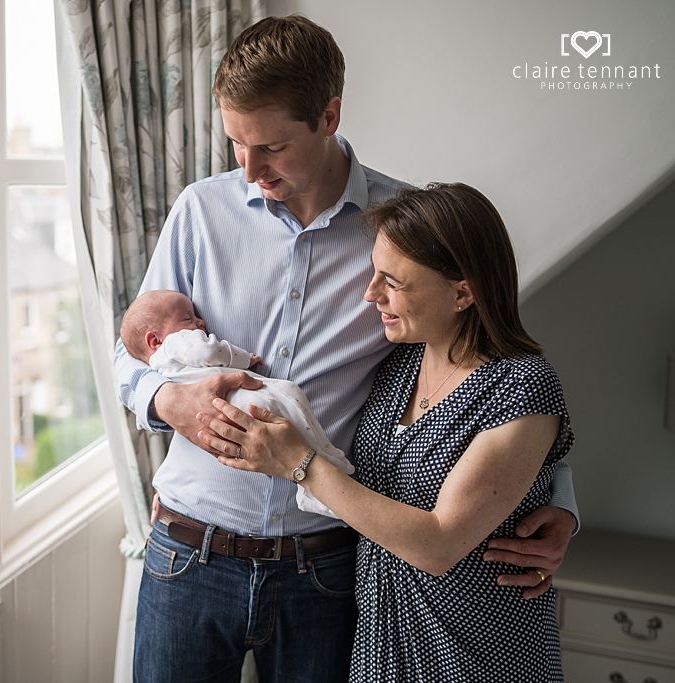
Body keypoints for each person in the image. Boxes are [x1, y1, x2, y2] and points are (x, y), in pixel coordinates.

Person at [113, 15, 579, 683]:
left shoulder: (406, 227)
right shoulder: (199, 212)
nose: (250, 169)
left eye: (270, 145)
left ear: (329, 114)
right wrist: (170, 399)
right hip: (190, 551)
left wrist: (556, 499)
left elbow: (485, 372)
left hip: (326, 568)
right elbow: (133, 349)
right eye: (236, 143)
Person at [199, 182, 571, 681]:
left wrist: (299, 464)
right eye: (374, 273)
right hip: (380, 648)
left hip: (478, 654)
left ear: (462, 291)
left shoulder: (521, 387)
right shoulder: (398, 365)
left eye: (392, 281)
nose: (371, 293)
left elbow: (438, 544)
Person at [120, 289, 355, 517]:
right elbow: (209, 351)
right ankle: (326, 465)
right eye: (187, 318)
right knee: (289, 398)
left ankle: (321, 471)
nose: (200, 322)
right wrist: (244, 358)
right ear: (154, 340)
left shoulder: (162, 365)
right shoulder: (172, 344)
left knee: (289, 406)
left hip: (228, 408)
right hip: (238, 400)